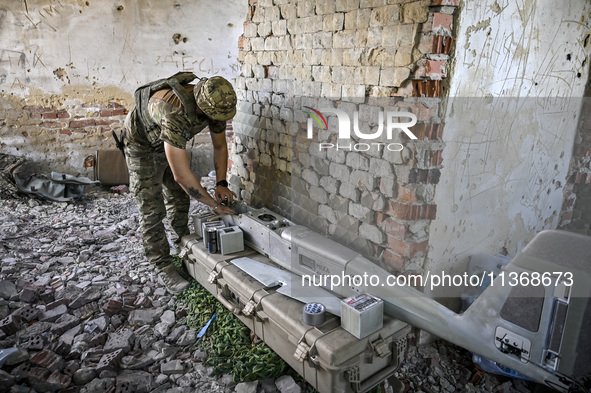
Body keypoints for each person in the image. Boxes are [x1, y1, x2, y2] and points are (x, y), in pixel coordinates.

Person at [123, 73, 236, 294]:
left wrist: (221, 182)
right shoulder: (174, 112)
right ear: (201, 105)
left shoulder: (216, 103)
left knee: (179, 198)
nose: (216, 120)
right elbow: (182, 176)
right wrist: (214, 205)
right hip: (142, 147)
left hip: (169, 141)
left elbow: (221, 146)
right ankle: (162, 264)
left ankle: (182, 245)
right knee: (152, 209)